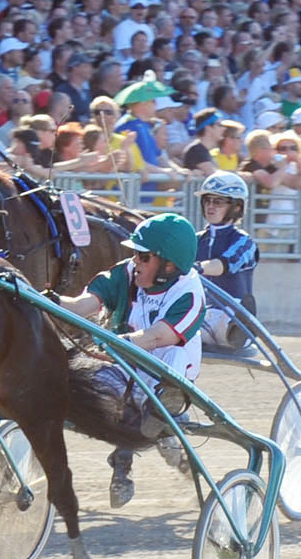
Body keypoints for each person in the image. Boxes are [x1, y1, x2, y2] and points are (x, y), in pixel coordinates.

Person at [56, 212, 205, 507]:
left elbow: (158, 337)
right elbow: (83, 305)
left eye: (143, 256)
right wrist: (48, 301)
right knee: (79, 380)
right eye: (135, 254)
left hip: (168, 367)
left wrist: (115, 344)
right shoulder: (125, 274)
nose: (135, 260)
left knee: (172, 358)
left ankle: (163, 412)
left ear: (169, 265)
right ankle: (155, 424)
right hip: (125, 366)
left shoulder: (189, 292)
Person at [194, 170, 259, 352]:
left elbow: (224, 265)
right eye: (207, 200)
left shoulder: (244, 242)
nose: (210, 206)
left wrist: (195, 267)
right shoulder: (196, 239)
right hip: (202, 317)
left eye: (218, 201)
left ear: (237, 207)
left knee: (227, 316)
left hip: (230, 313)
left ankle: (238, 329)